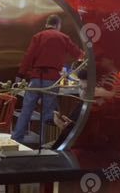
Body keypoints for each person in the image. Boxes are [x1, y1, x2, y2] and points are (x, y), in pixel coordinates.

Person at [12, 14, 83, 142]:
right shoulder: (64, 38)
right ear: (58, 25)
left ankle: (16, 139)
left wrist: (20, 75)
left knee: (26, 110)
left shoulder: (38, 36)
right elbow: (79, 54)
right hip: (52, 80)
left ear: (47, 24)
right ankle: (44, 142)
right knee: (48, 113)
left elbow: (28, 56)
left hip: (36, 78)